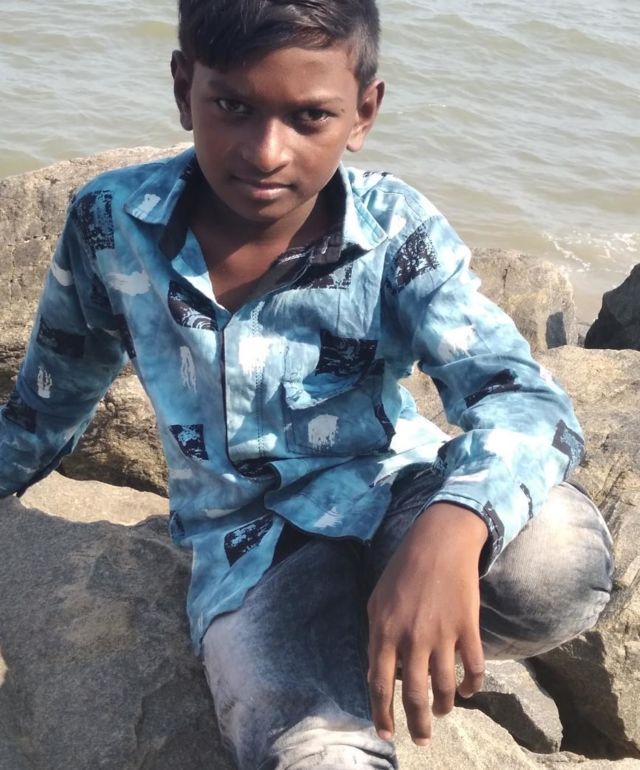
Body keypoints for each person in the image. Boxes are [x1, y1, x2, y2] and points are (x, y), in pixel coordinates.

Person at [0, 0, 613, 767]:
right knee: (320, 755)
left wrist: (456, 525)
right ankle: (346, 649)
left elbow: (525, 400)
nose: (266, 151)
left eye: (309, 117)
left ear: (363, 113)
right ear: (184, 87)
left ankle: (408, 603)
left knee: (556, 561)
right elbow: (47, 405)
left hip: (391, 492)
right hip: (247, 555)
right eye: (233, 106)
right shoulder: (110, 224)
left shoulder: (395, 231)